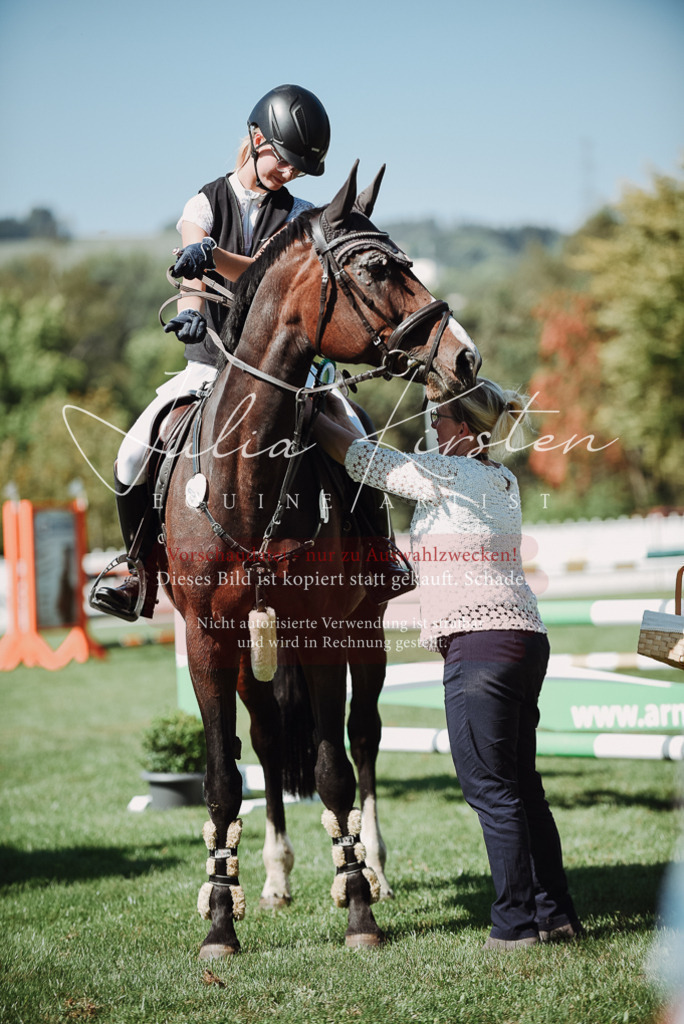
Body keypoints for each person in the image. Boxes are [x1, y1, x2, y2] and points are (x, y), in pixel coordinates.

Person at [310, 379, 583, 951]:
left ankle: (514, 926)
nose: (431, 425)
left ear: (466, 431)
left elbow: (364, 460)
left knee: (490, 788)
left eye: (439, 419)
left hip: (479, 644)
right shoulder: (500, 477)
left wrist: (312, 414)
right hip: (524, 639)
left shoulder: (450, 473)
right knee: (522, 785)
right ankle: (554, 912)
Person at [91, 85, 332, 621]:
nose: (289, 174)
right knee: (130, 456)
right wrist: (192, 305)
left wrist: (211, 257)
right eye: (285, 161)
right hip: (208, 369)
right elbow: (189, 256)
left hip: (285, 377)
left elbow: (272, 280)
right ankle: (137, 572)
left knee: (355, 435)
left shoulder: (304, 217)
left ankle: (381, 553)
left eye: (299, 168)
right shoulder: (203, 202)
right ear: (256, 139)